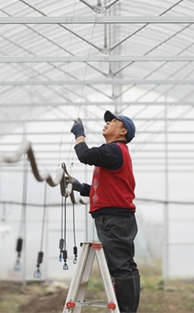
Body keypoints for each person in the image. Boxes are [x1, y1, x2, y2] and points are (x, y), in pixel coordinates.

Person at [68, 110, 139, 313]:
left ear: (123, 131)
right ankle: (127, 309)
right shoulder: (115, 153)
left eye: (113, 121)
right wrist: (81, 187)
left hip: (114, 219)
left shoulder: (114, 149)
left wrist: (79, 135)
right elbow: (106, 191)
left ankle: (126, 311)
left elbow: (85, 155)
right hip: (115, 216)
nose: (107, 123)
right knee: (123, 264)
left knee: (121, 266)